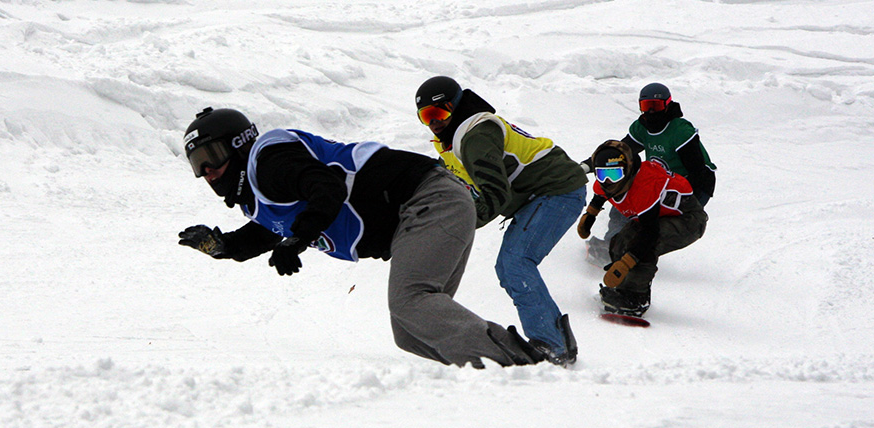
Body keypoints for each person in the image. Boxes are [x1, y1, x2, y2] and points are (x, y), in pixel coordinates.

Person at [177, 106, 546, 369]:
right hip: (426, 209)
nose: (208, 172)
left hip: (425, 199)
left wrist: (299, 239)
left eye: (213, 155)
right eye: (199, 165)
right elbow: (266, 233)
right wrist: (222, 246)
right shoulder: (261, 196)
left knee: (411, 301)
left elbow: (326, 188)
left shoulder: (269, 159)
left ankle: (520, 367)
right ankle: (491, 377)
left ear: (240, 143)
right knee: (409, 331)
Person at [414, 76, 585, 365]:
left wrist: (457, 225)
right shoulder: (453, 140)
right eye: (426, 116)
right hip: (535, 196)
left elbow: (494, 194)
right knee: (508, 266)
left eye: (440, 112)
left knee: (516, 263)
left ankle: (552, 345)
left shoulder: (475, 136)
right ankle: (552, 338)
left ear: (456, 106)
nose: (434, 122)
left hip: (557, 191)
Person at [585, 83, 716, 266]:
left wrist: (685, 201)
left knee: (648, 220)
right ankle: (610, 248)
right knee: (624, 204)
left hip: (693, 185)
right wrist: (586, 166)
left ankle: (631, 256)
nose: (652, 112)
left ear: (668, 105)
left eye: (657, 106)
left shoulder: (679, 131)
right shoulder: (642, 127)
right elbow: (620, 153)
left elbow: (697, 170)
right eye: (647, 106)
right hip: (659, 181)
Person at [577, 140, 708, 316]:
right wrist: (589, 216)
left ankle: (636, 299)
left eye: (615, 174)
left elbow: (649, 234)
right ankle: (622, 291)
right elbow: (600, 194)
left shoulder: (644, 185)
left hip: (688, 219)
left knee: (643, 246)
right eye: (602, 175)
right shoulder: (607, 184)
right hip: (658, 216)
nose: (608, 181)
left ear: (628, 170)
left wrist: (624, 264)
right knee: (619, 242)